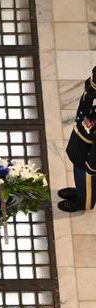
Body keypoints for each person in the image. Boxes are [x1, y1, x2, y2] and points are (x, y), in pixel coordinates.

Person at [58, 66, 96, 212]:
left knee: (86, 176)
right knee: (78, 165)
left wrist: (91, 166)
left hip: (90, 154)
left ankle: (84, 202)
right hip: (85, 137)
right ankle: (81, 191)